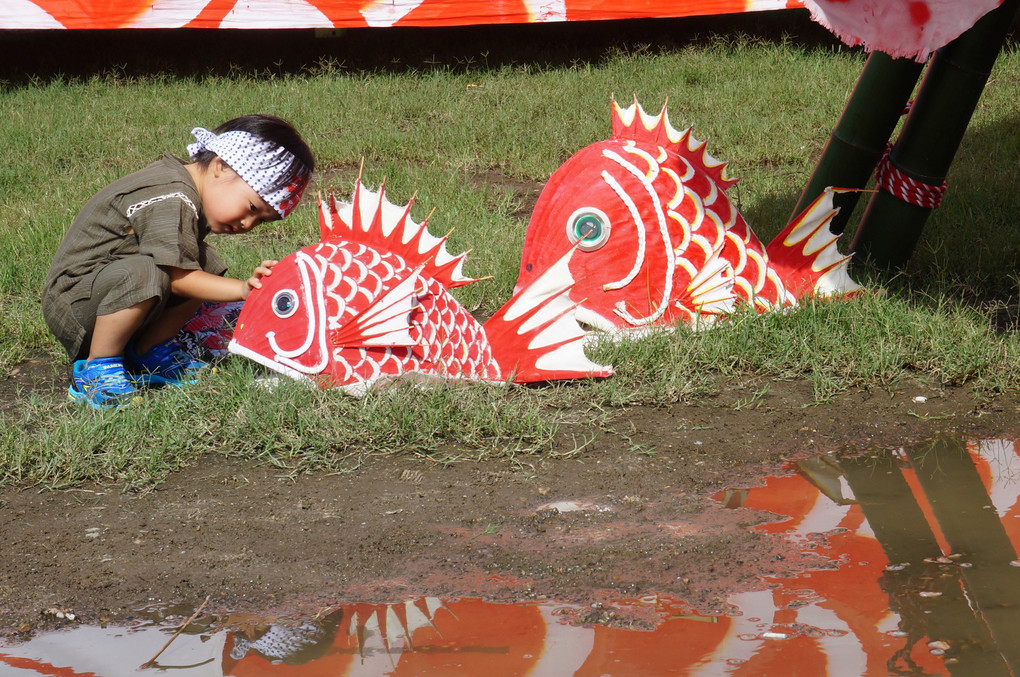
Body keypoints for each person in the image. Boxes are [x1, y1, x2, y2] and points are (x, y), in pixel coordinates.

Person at [42, 114, 314, 409]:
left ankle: (148, 353)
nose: (249, 223)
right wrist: (242, 289)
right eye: (252, 207)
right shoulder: (173, 196)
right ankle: (98, 369)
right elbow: (176, 277)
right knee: (153, 272)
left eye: (261, 221)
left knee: (203, 261)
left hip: (104, 293)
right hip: (73, 303)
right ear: (221, 167)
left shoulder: (186, 192)